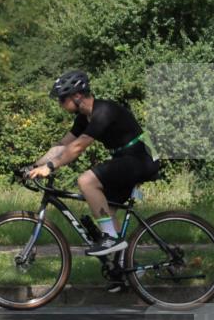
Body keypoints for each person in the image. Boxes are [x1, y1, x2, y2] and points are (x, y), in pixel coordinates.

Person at [25, 70, 158, 265]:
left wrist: (51, 167)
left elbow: (78, 147)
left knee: (86, 180)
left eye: (62, 99)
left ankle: (110, 239)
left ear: (77, 96)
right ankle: (126, 270)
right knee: (107, 212)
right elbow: (62, 145)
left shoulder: (103, 111)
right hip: (127, 159)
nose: (60, 104)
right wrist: (34, 165)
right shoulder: (82, 118)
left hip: (142, 158)